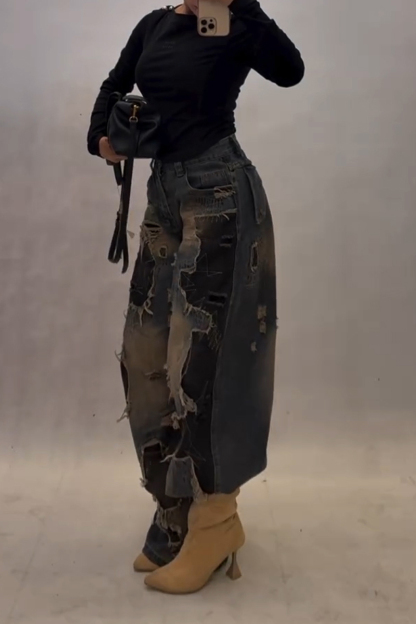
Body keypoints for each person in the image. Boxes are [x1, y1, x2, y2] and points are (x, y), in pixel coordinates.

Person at [87, 0, 304, 595]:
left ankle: (216, 521)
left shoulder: (236, 20)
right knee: (144, 357)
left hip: (220, 194)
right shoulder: (155, 24)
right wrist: (101, 136)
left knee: (204, 365)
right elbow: (114, 83)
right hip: (164, 195)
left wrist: (243, 7)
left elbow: (290, 71)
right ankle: (173, 513)